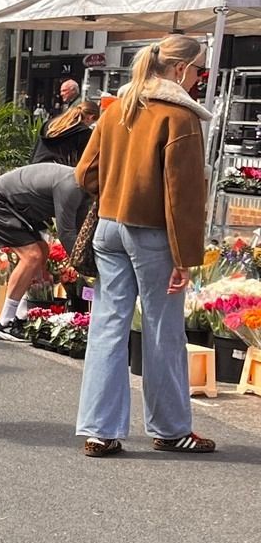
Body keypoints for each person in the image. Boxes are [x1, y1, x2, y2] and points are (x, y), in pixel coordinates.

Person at [75, 34, 214, 457]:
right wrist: (185, 256)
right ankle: (171, 428)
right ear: (179, 70)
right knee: (161, 330)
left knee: (107, 327)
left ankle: (100, 429)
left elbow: (85, 173)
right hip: (153, 233)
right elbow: (183, 196)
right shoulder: (179, 118)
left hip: (110, 227)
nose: (199, 80)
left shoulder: (119, 110)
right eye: (198, 71)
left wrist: (117, 192)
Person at [0, 160, 93, 340]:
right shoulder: (71, 187)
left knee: (42, 251)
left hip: (8, 204)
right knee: (32, 256)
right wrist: (86, 268)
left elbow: (81, 231)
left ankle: (20, 316)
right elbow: (66, 233)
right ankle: (4, 323)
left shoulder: (83, 190)